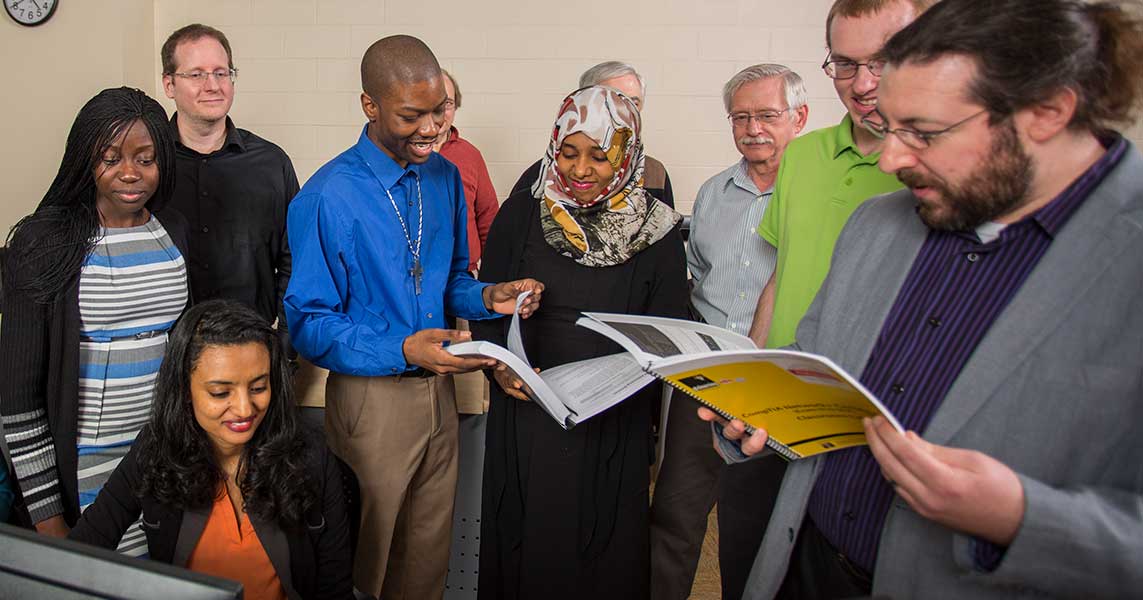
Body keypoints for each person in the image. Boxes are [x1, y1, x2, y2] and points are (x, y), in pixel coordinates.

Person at [708, 0, 1143, 597]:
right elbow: (813, 357)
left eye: (924, 133)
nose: (891, 160)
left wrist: (1020, 520)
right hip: (804, 566)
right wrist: (760, 409)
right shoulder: (878, 224)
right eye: (890, 126)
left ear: (1047, 111)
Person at [284, 35, 543, 599]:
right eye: (413, 115)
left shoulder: (446, 178)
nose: (433, 128)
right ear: (369, 106)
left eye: (440, 111)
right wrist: (401, 349)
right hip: (370, 403)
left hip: (440, 398)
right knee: (364, 565)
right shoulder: (327, 196)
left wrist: (489, 296)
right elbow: (308, 321)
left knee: (426, 562)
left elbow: (451, 282)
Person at [473, 85, 688, 600]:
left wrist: (619, 381)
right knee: (523, 543)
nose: (580, 169)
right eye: (568, 152)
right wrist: (500, 367)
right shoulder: (525, 210)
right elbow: (486, 301)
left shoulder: (656, 230)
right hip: (527, 413)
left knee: (602, 553)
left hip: (611, 423)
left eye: (599, 154)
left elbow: (669, 328)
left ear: (628, 153)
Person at [1, 87, 190, 555]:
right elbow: (19, 400)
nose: (130, 173)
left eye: (146, 159)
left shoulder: (173, 230)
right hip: (83, 466)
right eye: (111, 157)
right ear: (85, 160)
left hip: (162, 455)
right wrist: (50, 526)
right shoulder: (44, 241)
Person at [649, 64, 808, 600]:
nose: (753, 128)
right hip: (708, 378)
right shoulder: (714, 192)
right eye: (740, 116)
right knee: (675, 515)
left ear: (799, 118)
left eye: (767, 114)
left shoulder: (816, 195)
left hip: (785, 384)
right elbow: (697, 277)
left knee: (765, 526)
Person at [70, 300, 353, 599]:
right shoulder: (155, 449)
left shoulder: (310, 457)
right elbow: (79, 550)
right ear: (185, 390)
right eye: (221, 393)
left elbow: (335, 589)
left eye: (258, 387)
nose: (245, 409)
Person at [748, 0, 932, 349]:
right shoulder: (801, 154)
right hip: (782, 374)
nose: (862, 84)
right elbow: (782, 272)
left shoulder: (936, 172)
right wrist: (753, 361)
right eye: (845, 63)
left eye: (883, 61)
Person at [161, 24, 299, 361]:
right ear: (169, 84)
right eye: (196, 74)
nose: (212, 85)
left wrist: (284, 347)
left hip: (253, 353)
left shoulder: (270, 163)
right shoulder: (148, 165)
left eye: (221, 72)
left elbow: (294, 259)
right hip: (165, 357)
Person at [510, 61, 676, 208]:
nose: (625, 112)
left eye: (634, 103)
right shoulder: (542, 175)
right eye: (613, 101)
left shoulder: (654, 174)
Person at [434, 69, 499, 274]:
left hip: (465, 274)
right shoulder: (404, 155)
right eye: (434, 104)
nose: (441, 112)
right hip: (418, 275)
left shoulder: (470, 155)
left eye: (448, 104)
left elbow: (488, 217)